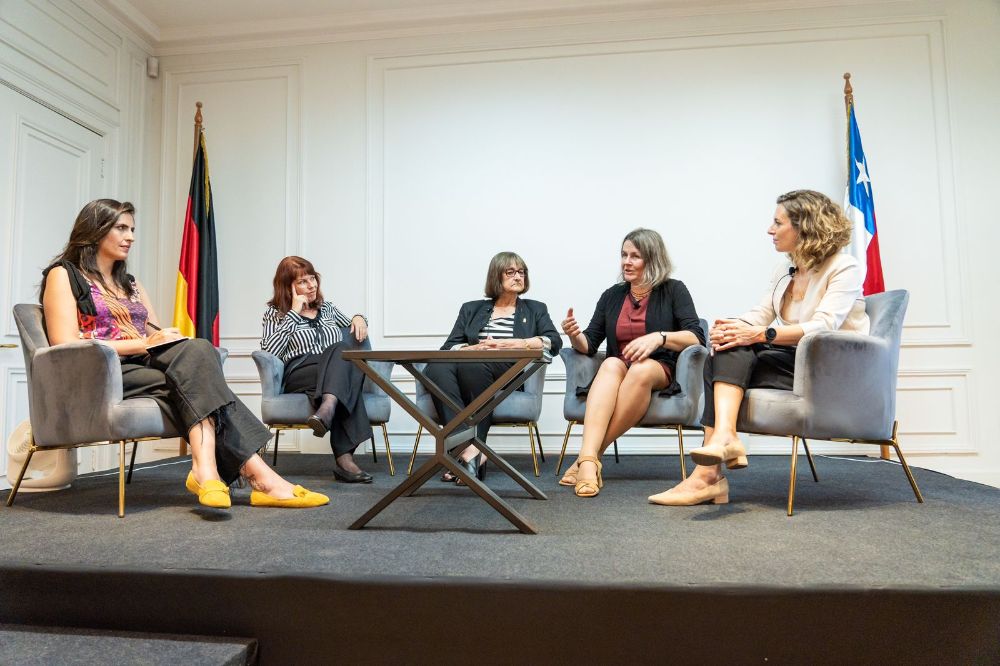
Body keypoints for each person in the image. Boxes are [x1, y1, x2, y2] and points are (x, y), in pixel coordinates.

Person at [41, 199, 328, 509]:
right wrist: (143, 344)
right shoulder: (64, 274)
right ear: (95, 231)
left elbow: (151, 332)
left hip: (144, 364)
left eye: (133, 229)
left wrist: (162, 337)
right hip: (103, 372)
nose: (131, 237)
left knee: (198, 352)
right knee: (194, 382)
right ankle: (259, 478)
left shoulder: (130, 284)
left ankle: (207, 471)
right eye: (121, 228)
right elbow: (64, 345)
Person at [648, 189, 870, 506]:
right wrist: (733, 326)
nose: (770, 230)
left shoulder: (844, 267)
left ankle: (708, 475)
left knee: (735, 347)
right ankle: (720, 448)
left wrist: (757, 334)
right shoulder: (785, 269)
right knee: (725, 346)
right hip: (790, 362)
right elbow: (760, 315)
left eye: (777, 223)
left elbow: (824, 326)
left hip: (828, 372)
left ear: (805, 226)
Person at [559, 228, 705, 497]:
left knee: (640, 369)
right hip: (620, 367)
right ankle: (590, 462)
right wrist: (574, 335)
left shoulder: (674, 290)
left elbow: (695, 335)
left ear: (652, 259)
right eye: (624, 255)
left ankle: (587, 458)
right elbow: (590, 344)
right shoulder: (612, 295)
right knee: (611, 364)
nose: (626, 262)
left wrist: (659, 338)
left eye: (635, 256)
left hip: (658, 368)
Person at [426, 251, 561, 483]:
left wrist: (521, 343)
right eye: (511, 272)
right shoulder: (471, 308)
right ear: (495, 277)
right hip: (472, 363)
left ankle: (461, 451)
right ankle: (470, 451)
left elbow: (554, 341)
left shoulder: (535, 309)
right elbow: (449, 347)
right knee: (435, 368)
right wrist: (473, 349)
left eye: (521, 272)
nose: (518, 276)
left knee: (474, 368)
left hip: (508, 369)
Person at [261, 256, 374, 483]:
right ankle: (344, 459)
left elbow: (353, 322)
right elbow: (270, 351)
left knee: (341, 352)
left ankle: (327, 409)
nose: (312, 285)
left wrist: (360, 317)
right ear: (288, 286)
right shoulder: (275, 314)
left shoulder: (328, 309)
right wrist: (293, 312)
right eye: (303, 281)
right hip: (302, 371)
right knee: (343, 369)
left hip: (333, 371)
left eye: (313, 278)